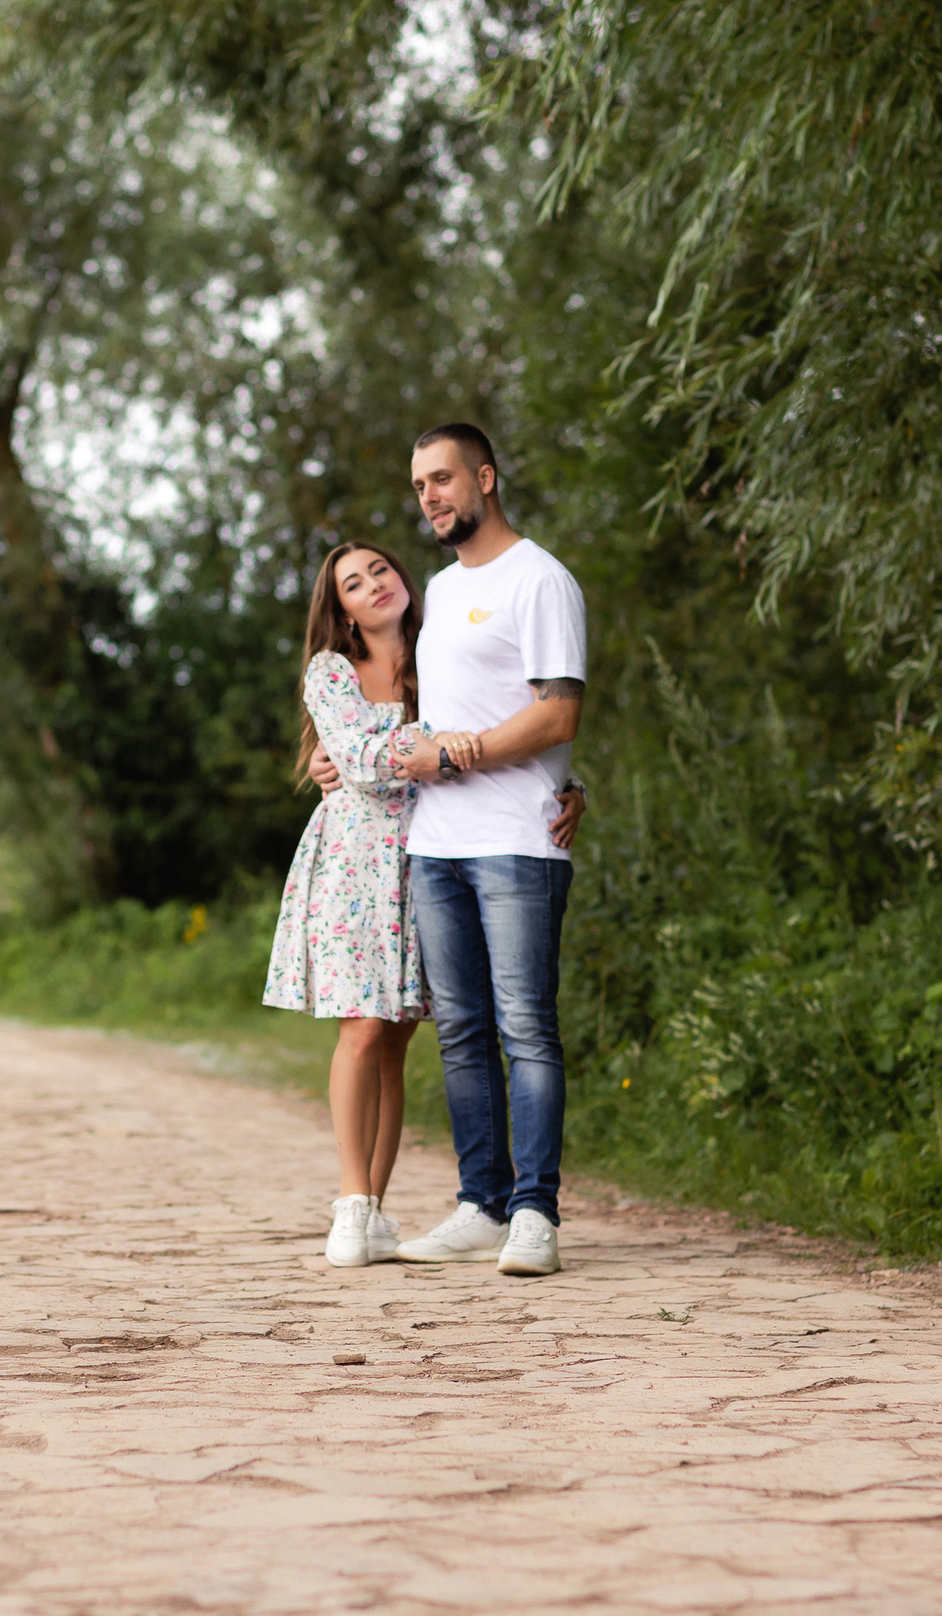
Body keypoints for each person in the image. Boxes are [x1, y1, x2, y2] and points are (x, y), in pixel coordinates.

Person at [311, 424, 589, 1277]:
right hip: (430, 846)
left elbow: (555, 714)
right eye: (420, 485)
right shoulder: (437, 592)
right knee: (461, 1034)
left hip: (514, 844)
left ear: (486, 477)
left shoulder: (540, 578)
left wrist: (545, 777)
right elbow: (428, 714)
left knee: (526, 1029)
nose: (430, 496)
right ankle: (480, 1203)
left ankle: (534, 1213)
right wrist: (357, 758)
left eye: (443, 479)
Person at [262, 542, 485, 1268]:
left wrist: (445, 746)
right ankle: (350, 1205)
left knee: (395, 1040)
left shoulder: (443, 658)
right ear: (344, 611)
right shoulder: (331, 672)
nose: (372, 585)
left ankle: (378, 1215)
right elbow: (358, 761)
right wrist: (441, 745)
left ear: (401, 579)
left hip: (430, 856)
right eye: (352, 584)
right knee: (360, 1029)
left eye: (379, 570)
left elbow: (497, 722)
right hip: (355, 865)